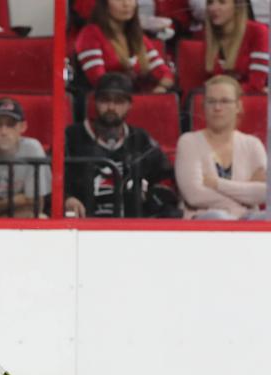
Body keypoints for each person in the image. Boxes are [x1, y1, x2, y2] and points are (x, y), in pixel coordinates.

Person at [64, 72, 177, 217]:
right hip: (84, 223)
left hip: (131, 227)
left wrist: (151, 198)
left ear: (129, 105)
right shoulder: (72, 136)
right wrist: (66, 199)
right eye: (105, 100)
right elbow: (50, 178)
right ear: (95, 101)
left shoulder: (140, 139)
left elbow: (165, 180)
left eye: (118, 101)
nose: (111, 107)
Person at [175, 75, 267, 218]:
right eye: (211, 101)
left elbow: (264, 193)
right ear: (203, 106)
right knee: (219, 217)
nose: (217, 108)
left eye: (224, 101)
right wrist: (239, 204)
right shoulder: (188, 142)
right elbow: (194, 195)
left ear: (238, 106)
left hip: (249, 219)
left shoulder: (252, 144)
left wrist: (217, 184)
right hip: (203, 218)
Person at [76, 0, 176, 92]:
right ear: (104, 4)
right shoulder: (90, 33)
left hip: (136, 101)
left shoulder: (137, 36)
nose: (126, 4)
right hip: (108, 104)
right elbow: (99, 81)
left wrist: (161, 88)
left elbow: (165, 73)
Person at [203, 0, 269, 94]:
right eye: (210, 3)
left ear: (237, 6)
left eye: (222, 2)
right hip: (223, 100)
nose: (214, 8)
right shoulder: (209, 36)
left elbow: (256, 85)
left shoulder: (258, 32)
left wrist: (222, 92)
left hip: (252, 100)